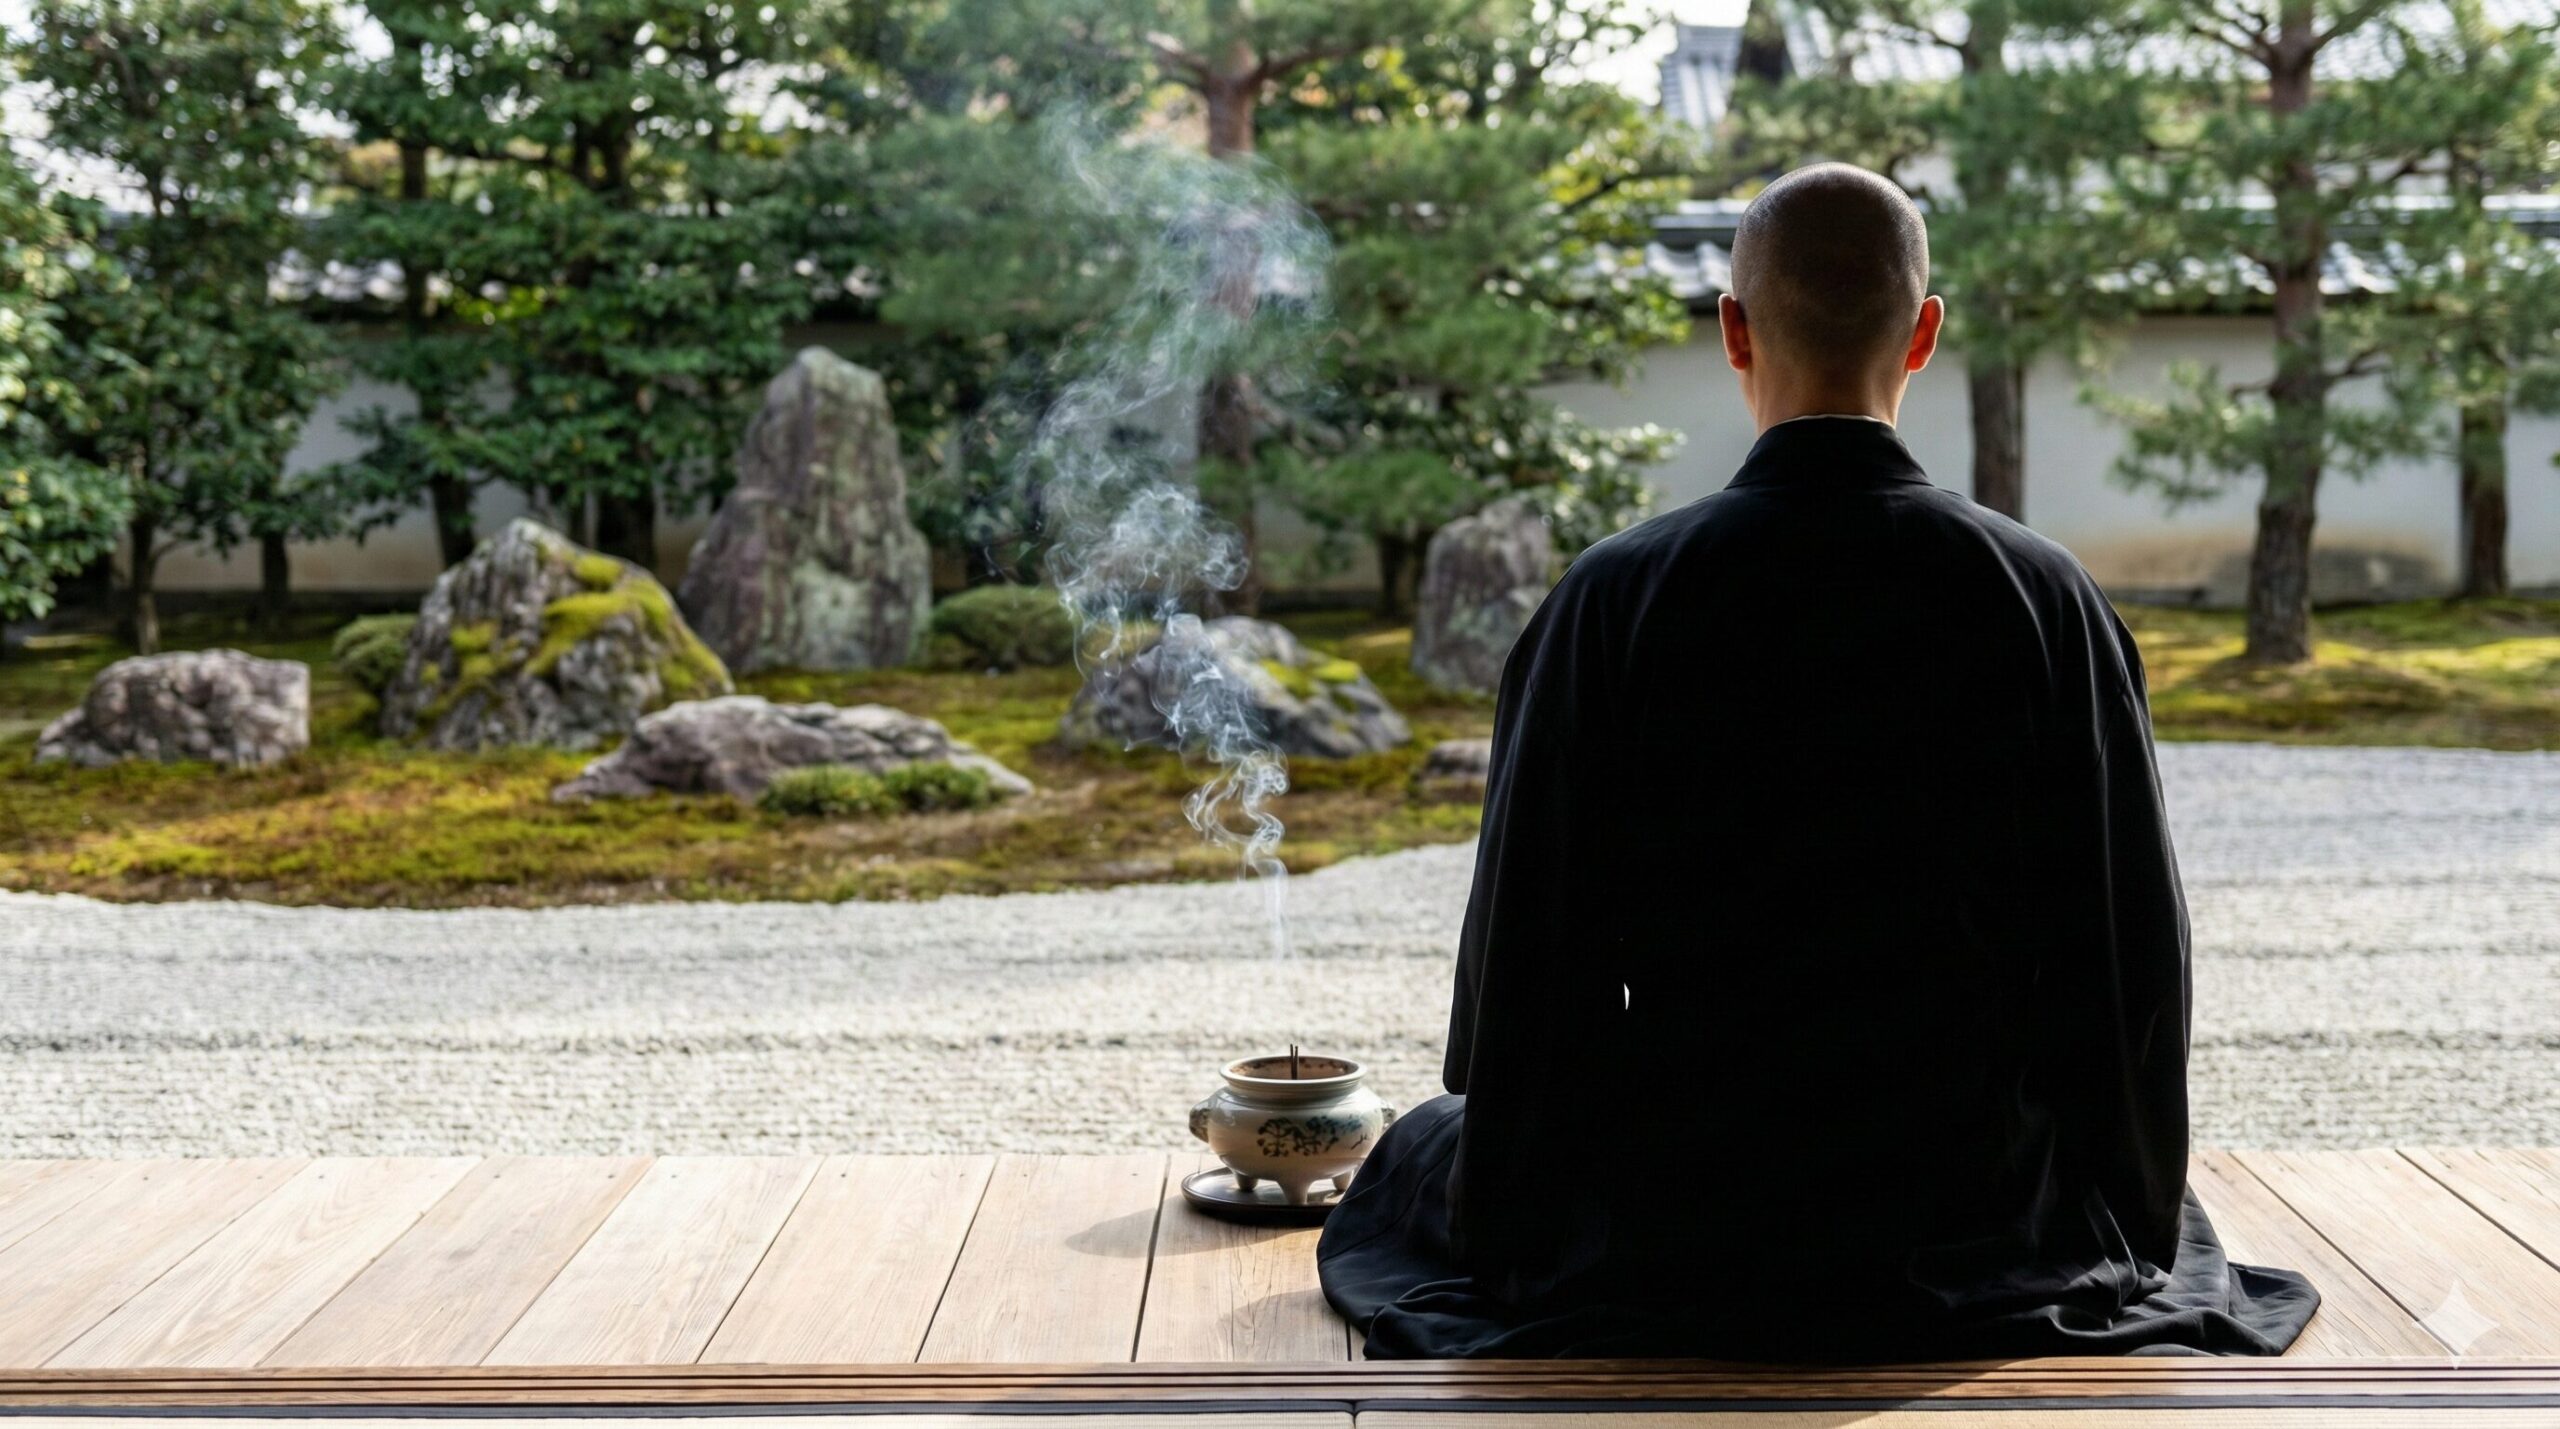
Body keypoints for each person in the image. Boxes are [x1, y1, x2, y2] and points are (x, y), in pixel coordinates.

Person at [1315, 163, 2319, 1360]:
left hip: (1687, 1204)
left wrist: (1519, 1216)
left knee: (1424, 1140)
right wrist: (2126, 1211)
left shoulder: (1613, 596)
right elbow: (2131, 954)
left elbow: (1527, 965)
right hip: (1975, 1203)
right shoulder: (2046, 597)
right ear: (1925, 335)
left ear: (1732, 329)